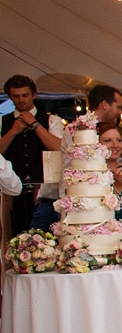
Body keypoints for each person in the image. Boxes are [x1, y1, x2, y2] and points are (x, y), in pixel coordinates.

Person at [0, 74, 63, 234]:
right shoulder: (3, 122)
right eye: (16, 96)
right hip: (12, 191)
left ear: (33, 95)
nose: (21, 100)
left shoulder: (51, 120)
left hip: (44, 193)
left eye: (25, 95)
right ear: (10, 97)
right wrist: (13, 131)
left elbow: (59, 149)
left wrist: (35, 125)